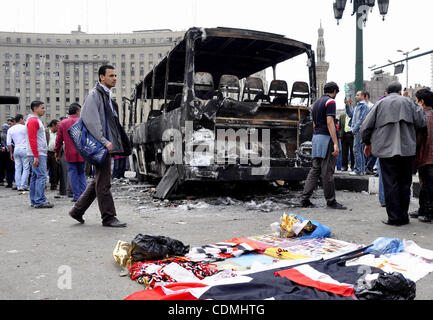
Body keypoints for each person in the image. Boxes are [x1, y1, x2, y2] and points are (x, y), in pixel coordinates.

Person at [68, 65, 131, 227]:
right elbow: (91, 121)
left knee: (98, 180)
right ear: (101, 77)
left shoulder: (106, 96)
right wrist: (104, 141)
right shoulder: (94, 95)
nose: (115, 78)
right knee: (104, 183)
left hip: (106, 144)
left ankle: (77, 210)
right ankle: (108, 217)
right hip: (101, 145)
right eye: (111, 75)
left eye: (116, 75)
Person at [361, 81, 426, 226]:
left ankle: (394, 218)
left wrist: (367, 143)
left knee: (390, 183)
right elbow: (422, 122)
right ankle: (403, 216)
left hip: (386, 150)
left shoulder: (380, 104)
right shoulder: (409, 103)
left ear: (387, 93)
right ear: (400, 91)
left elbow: (366, 126)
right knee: (405, 183)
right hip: (407, 150)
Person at [300, 81, 346, 210]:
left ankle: (305, 199)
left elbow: (314, 124)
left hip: (316, 138)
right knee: (328, 171)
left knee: (315, 170)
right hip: (326, 139)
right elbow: (330, 121)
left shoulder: (316, 104)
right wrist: (335, 143)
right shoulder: (330, 102)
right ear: (335, 91)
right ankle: (331, 201)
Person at [55, 103, 87, 202]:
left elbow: (59, 140)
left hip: (69, 153)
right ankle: (85, 196)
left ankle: (77, 196)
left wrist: (57, 152)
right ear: (78, 111)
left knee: (72, 174)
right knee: (82, 173)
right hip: (82, 152)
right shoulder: (83, 122)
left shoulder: (63, 123)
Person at [26, 101, 54, 209]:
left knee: (35, 176)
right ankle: (39, 200)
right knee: (41, 176)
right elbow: (32, 139)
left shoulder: (33, 120)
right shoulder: (33, 120)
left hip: (36, 152)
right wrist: (36, 155)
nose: (44, 110)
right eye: (42, 108)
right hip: (37, 153)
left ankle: (34, 200)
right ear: (35, 108)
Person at [411, 88, 433, 223]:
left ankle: (428, 213)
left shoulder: (423, 116)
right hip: (428, 157)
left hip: (426, 157)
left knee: (428, 185)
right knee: (426, 185)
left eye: (416, 100)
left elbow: (418, 140)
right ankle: (422, 210)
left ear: (422, 101)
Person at [6, 114, 30, 191]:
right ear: (21, 119)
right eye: (23, 119)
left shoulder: (10, 129)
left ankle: (18, 185)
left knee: (17, 168)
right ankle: (24, 185)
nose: (24, 121)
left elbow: (8, 143)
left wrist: (11, 153)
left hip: (16, 149)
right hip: (25, 149)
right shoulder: (25, 128)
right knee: (26, 168)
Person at [349, 91, 369, 176]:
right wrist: (347, 105)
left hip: (359, 130)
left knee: (356, 150)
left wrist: (354, 129)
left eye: (358, 95)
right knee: (359, 150)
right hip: (357, 130)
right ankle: (361, 170)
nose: (356, 96)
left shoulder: (364, 106)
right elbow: (351, 114)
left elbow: (362, 119)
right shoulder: (358, 106)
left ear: (363, 96)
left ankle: (358, 170)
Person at [340, 97, 355, 171]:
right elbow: (340, 127)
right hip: (344, 136)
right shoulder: (342, 116)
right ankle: (344, 166)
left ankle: (353, 166)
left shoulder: (354, 114)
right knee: (344, 152)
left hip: (352, 135)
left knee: (353, 152)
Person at [46, 119, 59, 190]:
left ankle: (53, 185)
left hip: (55, 153)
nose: (59, 127)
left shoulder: (59, 132)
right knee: (45, 169)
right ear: (53, 125)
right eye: (58, 125)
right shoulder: (46, 132)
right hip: (47, 152)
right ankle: (43, 185)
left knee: (55, 170)